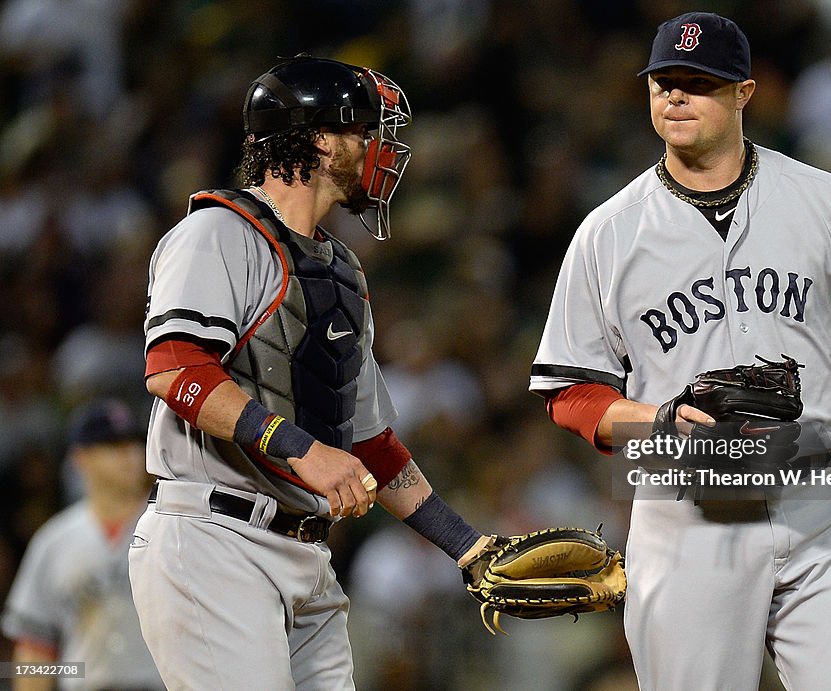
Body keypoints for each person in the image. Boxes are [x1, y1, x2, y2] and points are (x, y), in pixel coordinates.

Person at [530, 11, 831, 691]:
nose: (676, 96)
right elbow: (570, 391)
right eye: (665, 82)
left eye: (699, 82)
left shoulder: (822, 199)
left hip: (820, 507)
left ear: (743, 94)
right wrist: (652, 418)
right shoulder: (608, 232)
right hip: (689, 517)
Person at [130, 56, 492, 689]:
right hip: (215, 539)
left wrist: (467, 546)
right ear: (320, 140)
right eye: (365, 132)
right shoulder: (217, 232)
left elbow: (370, 442)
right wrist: (299, 449)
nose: (380, 149)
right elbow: (174, 368)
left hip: (305, 553)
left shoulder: (343, 270)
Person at [2, 398, 163, 690]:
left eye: (135, 444)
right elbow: (35, 646)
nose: (130, 455)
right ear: (81, 458)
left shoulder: (171, 528)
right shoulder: (54, 541)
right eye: (113, 446)